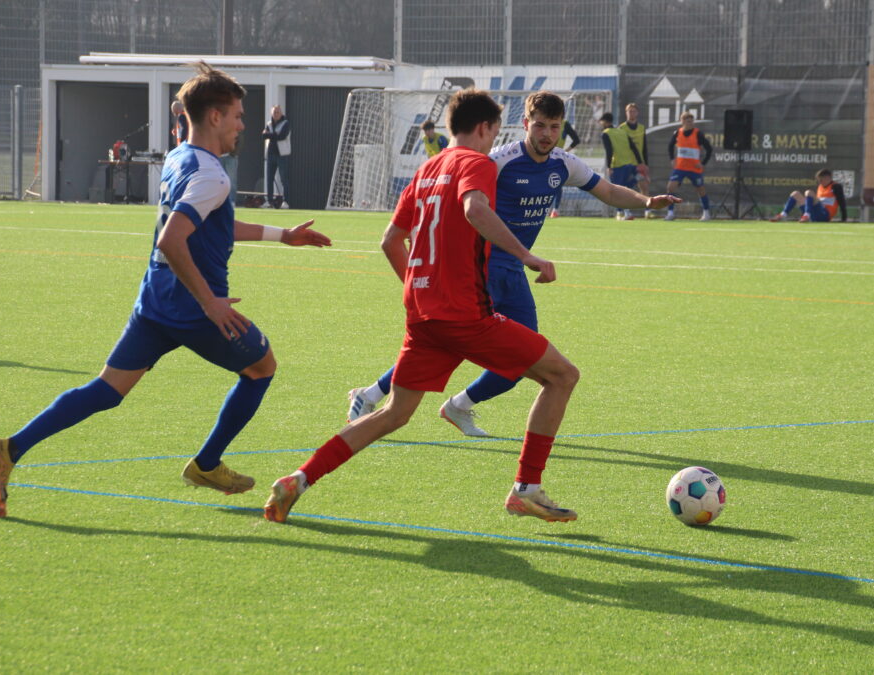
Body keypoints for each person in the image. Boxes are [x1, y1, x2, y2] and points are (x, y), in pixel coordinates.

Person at [0, 62, 332, 519]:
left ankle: (9, 450)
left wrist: (283, 235)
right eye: (239, 114)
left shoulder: (181, 157)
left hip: (155, 301)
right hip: (194, 310)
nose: (244, 123)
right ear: (216, 117)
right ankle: (206, 464)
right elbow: (173, 238)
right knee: (262, 367)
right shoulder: (213, 175)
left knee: (106, 390)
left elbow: (212, 224)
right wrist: (211, 303)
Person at [264, 89, 591, 525]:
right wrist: (526, 255)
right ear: (483, 128)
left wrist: (421, 290)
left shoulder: (427, 170)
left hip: (424, 316)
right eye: (494, 131)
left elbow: (389, 240)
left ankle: (298, 479)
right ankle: (526, 489)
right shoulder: (477, 163)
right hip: (466, 315)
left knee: (394, 414)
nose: (494, 140)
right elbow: (476, 209)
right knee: (562, 376)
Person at [345, 91, 678, 439]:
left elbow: (607, 192)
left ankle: (455, 405)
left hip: (513, 273)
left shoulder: (563, 164)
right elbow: (464, 199)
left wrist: (646, 201)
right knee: (452, 343)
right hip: (480, 266)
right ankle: (371, 395)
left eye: (553, 126)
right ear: (525, 125)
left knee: (522, 355)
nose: (546, 134)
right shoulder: (497, 160)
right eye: (539, 126)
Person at [664, 111, 713, 221]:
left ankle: (706, 213)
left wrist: (703, 163)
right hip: (680, 167)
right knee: (670, 187)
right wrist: (672, 159)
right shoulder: (678, 132)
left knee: (701, 190)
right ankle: (670, 213)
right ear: (682, 121)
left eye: (691, 121)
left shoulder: (698, 133)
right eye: (687, 121)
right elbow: (670, 146)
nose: (689, 123)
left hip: (694, 168)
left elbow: (709, 149)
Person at [600, 112, 646, 220]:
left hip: (617, 165)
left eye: (602, 121)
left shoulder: (606, 133)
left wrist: (609, 166)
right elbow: (634, 148)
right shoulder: (622, 131)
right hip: (629, 164)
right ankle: (625, 212)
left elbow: (609, 150)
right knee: (626, 188)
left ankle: (623, 213)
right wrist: (640, 163)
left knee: (617, 191)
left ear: (605, 122)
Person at [769, 168, 847, 223]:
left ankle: (806, 215)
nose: (820, 182)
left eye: (821, 180)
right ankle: (783, 215)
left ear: (828, 178)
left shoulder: (836, 186)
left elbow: (842, 202)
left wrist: (844, 218)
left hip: (824, 215)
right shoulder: (820, 187)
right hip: (814, 213)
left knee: (808, 192)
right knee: (795, 194)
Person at [621, 103, 654, 218]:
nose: (631, 113)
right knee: (626, 189)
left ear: (637, 113)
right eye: (629, 111)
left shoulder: (641, 128)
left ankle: (647, 211)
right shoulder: (622, 128)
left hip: (639, 164)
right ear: (626, 113)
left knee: (644, 186)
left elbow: (644, 147)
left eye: (634, 111)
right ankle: (626, 212)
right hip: (626, 163)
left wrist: (646, 164)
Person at [548, 118, 581, 218]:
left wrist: (565, 151)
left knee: (556, 183)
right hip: (542, 156)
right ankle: (550, 209)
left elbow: (576, 140)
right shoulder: (546, 120)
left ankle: (555, 210)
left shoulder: (565, 123)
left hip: (555, 158)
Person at [262, 105, 292, 209]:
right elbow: (263, 136)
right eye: (274, 112)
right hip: (270, 155)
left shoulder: (286, 123)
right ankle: (269, 201)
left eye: (278, 112)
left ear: (281, 113)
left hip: (282, 155)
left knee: (284, 179)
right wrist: (273, 134)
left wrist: (269, 134)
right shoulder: (269, 124)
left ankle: (286, 201)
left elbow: (282, 136)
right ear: (271, 113)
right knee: (269, 179)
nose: (276, 114)